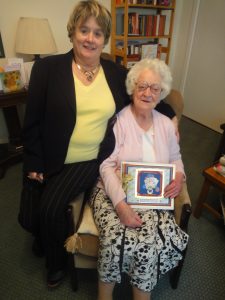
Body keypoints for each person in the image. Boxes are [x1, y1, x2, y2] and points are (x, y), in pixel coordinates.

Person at [21, 0, 178, 289]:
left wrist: (174, 118)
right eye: (84, 30)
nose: (90, 38)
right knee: (36, 210)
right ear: (73, 32)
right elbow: (31, 123)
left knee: (50, 208)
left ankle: (55, 264)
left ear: (104, 38)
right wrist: (34, 162)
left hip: (95, 158)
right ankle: (43, 237)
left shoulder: (116, 73)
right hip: (53, 156)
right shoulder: (47, 69)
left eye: (97, 33)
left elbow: (151, 95)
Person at [90, 58, 189, 300]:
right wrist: (121, 204)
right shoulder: (119, 121)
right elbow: (105, 164)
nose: (147, 93)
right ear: (133, 87)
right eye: (142, 86)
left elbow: (176, 157)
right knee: (114, 239)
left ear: (161, 92)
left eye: (154, 88)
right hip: (112, 194)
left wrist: (178, 176)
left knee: (149, 243)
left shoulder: (166, 124)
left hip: (152, 199)